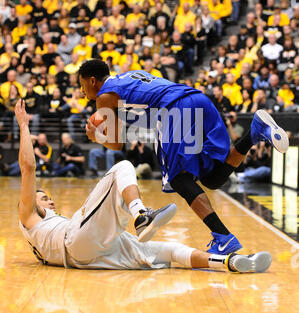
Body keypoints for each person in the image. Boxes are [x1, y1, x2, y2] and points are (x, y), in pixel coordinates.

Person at [14, 98, 272, 274]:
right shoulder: (28, 216)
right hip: (75, 242)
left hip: (92, 257)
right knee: (122, 168)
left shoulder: (45, 231)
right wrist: (24, 125)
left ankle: (232, 262)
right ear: (27, 204)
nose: (49, 201)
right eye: (43, 198)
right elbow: (28, 167)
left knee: (170, 250)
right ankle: (140, 214)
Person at [78, 59, 289, 254]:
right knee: (212, 178)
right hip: (198, 99)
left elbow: (116, 144)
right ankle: (255, 132)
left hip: (175, 109)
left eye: (82, 85)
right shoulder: (129, 76)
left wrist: (95, 136)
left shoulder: (104, 96)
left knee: (179, 179)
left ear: (93, 81)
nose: (82, 91)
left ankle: (223, 237)